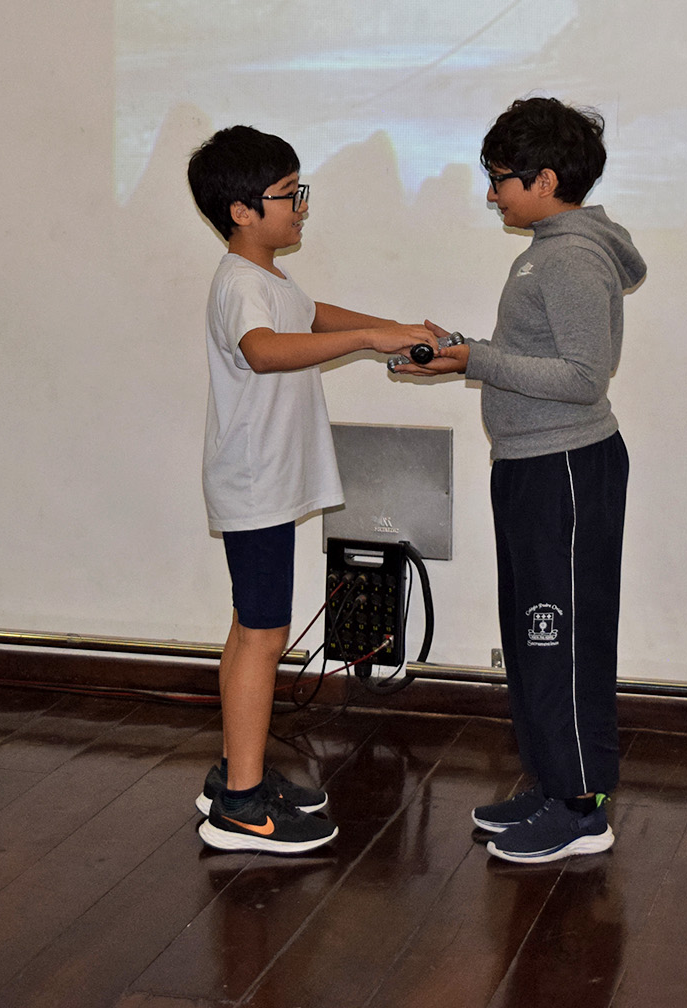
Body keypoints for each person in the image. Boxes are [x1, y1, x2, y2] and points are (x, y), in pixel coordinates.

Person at [397, 97, 646, 863]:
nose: (492, 194)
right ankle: (550, 783)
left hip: (565, 467)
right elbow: (541, 360)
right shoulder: (547, 249)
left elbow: (583, 377)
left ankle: (581, 808)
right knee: (535, 635)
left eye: (501, 179)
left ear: (543, 180)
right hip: (532, 465)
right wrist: (465, 354)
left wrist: (475, 357)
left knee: (559, 637)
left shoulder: (570, 257)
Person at [187, 125, 438, 855]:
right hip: (255, 485)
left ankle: (236, 773)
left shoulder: (267, 278)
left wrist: (392, 328)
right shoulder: (240, 282)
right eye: (287, 195)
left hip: (262, 482)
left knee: (250, 631)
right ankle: (240, 807)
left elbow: (310, 316)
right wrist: (368, 341)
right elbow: (265, 351)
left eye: (301, 192)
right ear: (241, 211)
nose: (301, 207)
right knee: (263, 636)